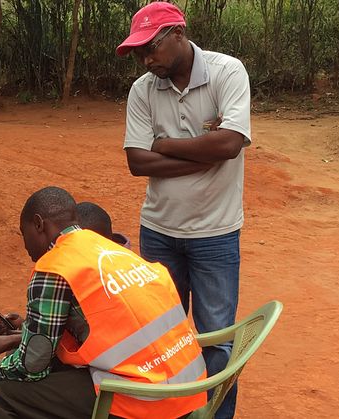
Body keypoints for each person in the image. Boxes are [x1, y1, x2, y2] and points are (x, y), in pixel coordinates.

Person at [0, 186, 206, 419]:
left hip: (147, 400)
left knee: (7, 397)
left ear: (39, 224)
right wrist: (18, 337)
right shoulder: (109, 248)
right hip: (187, 385)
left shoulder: (54, 267)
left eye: (23, 233)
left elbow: (33, 366)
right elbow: (106, 327)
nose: (26, 245)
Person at [116, 2, 251, 418]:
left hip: (216, 233)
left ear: (177, 33)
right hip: (159, 231)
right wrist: (203, 154)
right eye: (138, 52)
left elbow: (229, 144)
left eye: (150, 48)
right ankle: (168, 412)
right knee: (159, 336)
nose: (145, 59)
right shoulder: (143, 89)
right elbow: (137, 162)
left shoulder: (227, 72)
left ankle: (213, 416)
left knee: (216, 339)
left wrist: (165, 144)